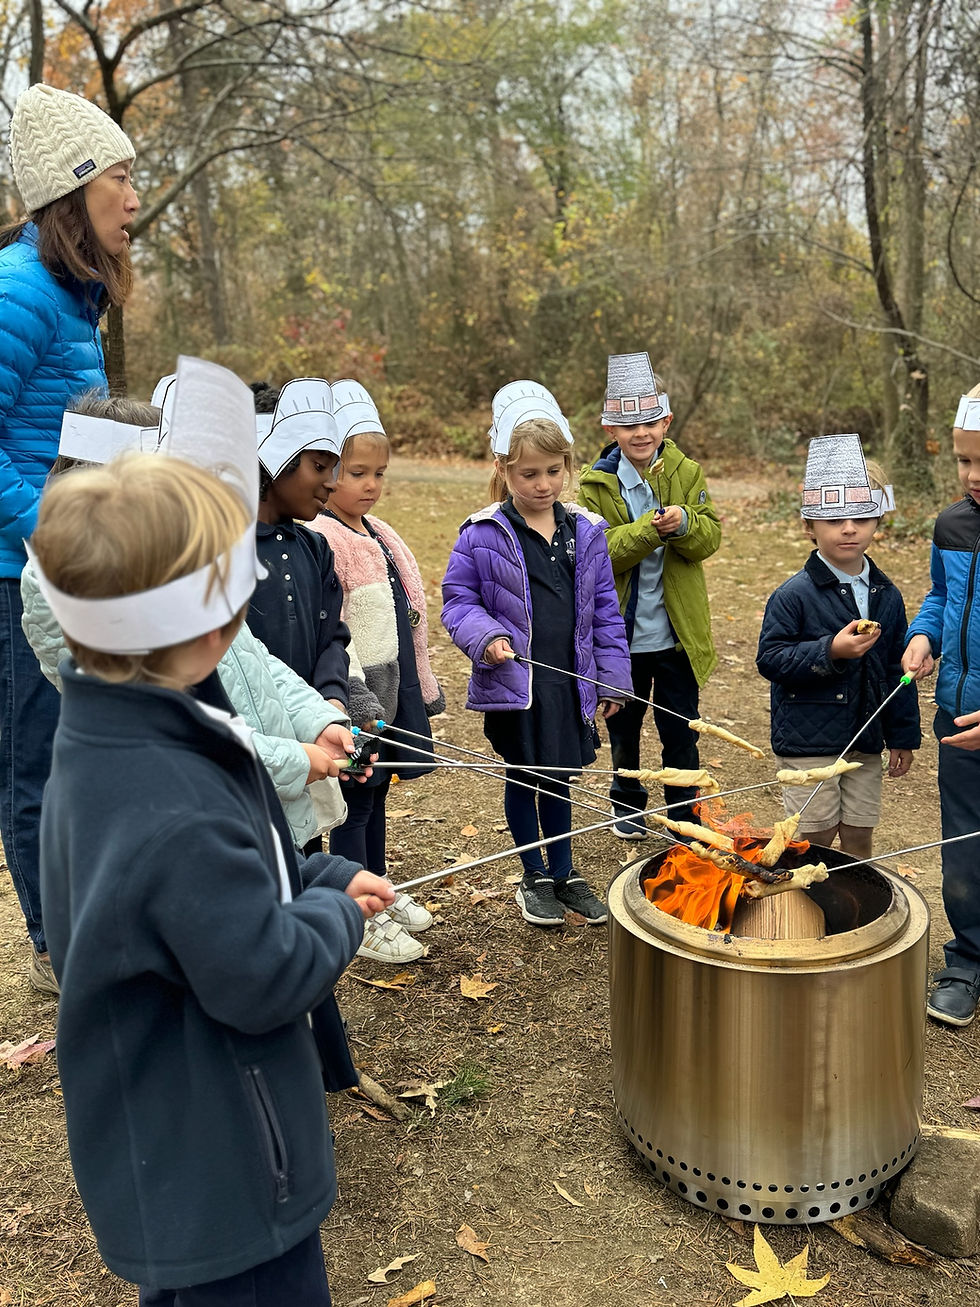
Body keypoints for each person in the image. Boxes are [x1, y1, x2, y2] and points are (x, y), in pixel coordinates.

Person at [31, 358, 394, 1305]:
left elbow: (208, 909)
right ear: (202, 624)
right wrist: (339, 922)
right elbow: (260, 973)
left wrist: (315, 884)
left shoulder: (109, 728)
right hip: (228, 1176)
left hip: (171, 1162)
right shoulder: (169, 802)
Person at [21, 392, 351, 850]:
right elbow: (177, 732)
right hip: (196, 819)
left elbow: (254, 658)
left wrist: (315, 720)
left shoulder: (176, 560)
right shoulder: (81, 589)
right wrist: (292, 761)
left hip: (255, 798)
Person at [0, 83, 139, 993]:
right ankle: (57, 945)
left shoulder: (72, 293)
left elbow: (60, 433)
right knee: (38, 760)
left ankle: (95, 915)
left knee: (92, 751)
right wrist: (54, 526)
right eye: (119, 179)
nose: (135, 198)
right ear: (72, 192)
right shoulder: (18, 291)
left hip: (74, 568)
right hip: (21, 578)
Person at [442, 381, 631, 927]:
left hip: (572, 682)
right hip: (517, 685)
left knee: (562, 777)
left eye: (553, 471)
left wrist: (613, 678)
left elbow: (604, 612)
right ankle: (533, 874)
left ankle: (566, 870)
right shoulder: (483, 533)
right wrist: (485, 638)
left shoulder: (587, 531)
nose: (543, 484)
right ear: (503, 469)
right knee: (526, 776)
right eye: (529, 474)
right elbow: (459, 600)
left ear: (567, 467)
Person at [308, 381, 444, 963]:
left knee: (380, 793)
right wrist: (355, 696)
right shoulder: (325, 536)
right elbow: (336, 629)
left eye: (379, 474)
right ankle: (356, 910)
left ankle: (380, 888)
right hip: (360, 697)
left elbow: (404, 610)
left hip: (393, 687)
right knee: (355, 803)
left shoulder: (379, 533)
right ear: (326, 472)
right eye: (356, 473)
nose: (370, 485)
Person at [578, 351, 721, 839]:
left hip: (677, 637)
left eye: (650, 421)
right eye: (629, 424)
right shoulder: (595, 485)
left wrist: (683, 524)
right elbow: (600, 553)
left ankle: (684, 813)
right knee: (625, 727)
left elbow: (709, 539)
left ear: (666, 420)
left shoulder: (688, 473)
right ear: (610, 429)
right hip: (623, 638)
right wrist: (649, 529)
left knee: (682, 730)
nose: (641, 433)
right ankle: (627, 804)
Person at [757, 435, 919, 860]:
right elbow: (771, 658)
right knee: (815, 838)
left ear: (877, 521)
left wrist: (903, 735)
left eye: (861, 518)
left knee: (859, 835)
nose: (849, 529)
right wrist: (830, 651)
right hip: (810, 742)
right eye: (835, 521)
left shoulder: (887, 594)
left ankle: (852, 910)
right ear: (810, 526)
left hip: (866, 737)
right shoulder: (793, 594)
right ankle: (798, 912)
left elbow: (895, 669)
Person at [903, 386, 980, 1026]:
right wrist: (924, 636)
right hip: (957, 719)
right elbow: (939, 596)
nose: (973, 476)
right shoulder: (951, 525)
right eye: (963, 460)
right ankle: (967, 961)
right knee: (963, 846)